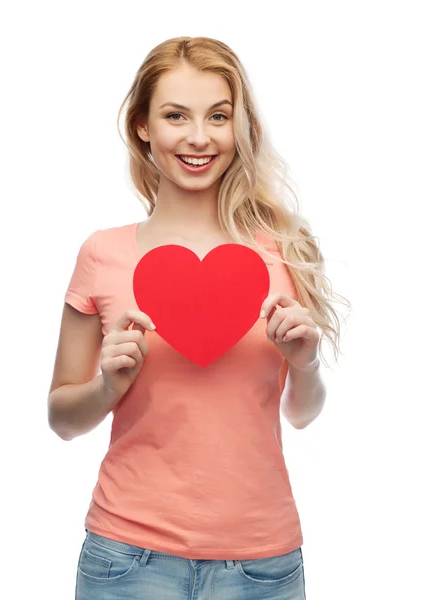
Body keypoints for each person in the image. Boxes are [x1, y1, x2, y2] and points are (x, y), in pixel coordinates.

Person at [48, 36, 350, 600]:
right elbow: (62, 418)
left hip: (264, 564)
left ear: (240, 127)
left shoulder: (281, 250)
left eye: (218, 116)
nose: (198, 137)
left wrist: (305, 365)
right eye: (175, 115)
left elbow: (302, 416)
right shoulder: (102, 253)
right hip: (127, 559)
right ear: (142, 126)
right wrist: (109, 384)